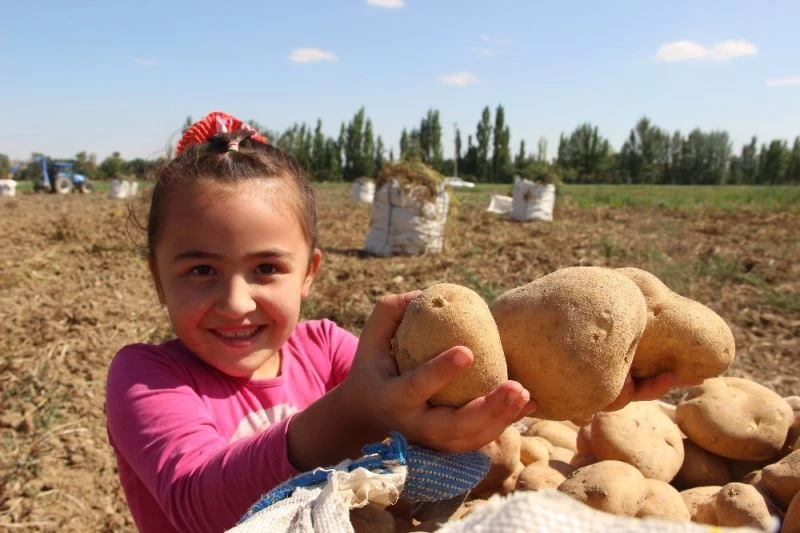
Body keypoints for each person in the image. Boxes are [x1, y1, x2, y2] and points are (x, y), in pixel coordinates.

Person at [106, 111, 676, 533]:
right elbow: (199, 503)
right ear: (158, 277)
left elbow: (436, 402)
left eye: (266, 269)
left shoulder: (326, 347)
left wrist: (574, 384)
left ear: (309, 273)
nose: (235, 301)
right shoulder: (146, 378)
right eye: (201, 269)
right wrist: (356, 410)